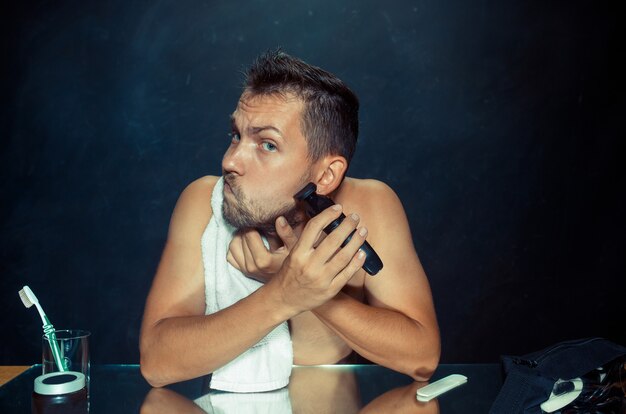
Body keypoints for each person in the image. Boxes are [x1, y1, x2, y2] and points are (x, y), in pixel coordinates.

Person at [139, 49, 440, 388]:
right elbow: (156, 362)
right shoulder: (202, 202)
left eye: (267, 145)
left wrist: (309, 291)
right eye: (236, 135)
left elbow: (422, 359)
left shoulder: (370, 204)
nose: (231, 161)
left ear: (326, 175)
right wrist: (282, 294)